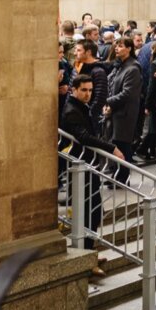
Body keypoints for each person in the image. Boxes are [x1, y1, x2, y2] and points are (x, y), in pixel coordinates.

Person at [60, 74, 123, 266]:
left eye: (90, 90)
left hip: (86, 165)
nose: (88, 94)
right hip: (80, 166)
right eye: (84, 90)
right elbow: (84, 136)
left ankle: (88, 253)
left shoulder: (80, 106)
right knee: (89, 211)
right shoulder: (72, 110)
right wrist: (111, 148)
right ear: (74, 90)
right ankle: (85, 255)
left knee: (93, 210)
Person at [102, 35, 142, 179]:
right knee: (115, 143)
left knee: (123, 144)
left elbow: (128, 93)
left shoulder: (133, 68)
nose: (116, 48)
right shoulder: (120, 65)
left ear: (129, 48)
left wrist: (107, 101)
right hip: (116, 110)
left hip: (125, 113)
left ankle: (122, 178)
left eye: (120, 46)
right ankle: (116, 174)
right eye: (116, 45)